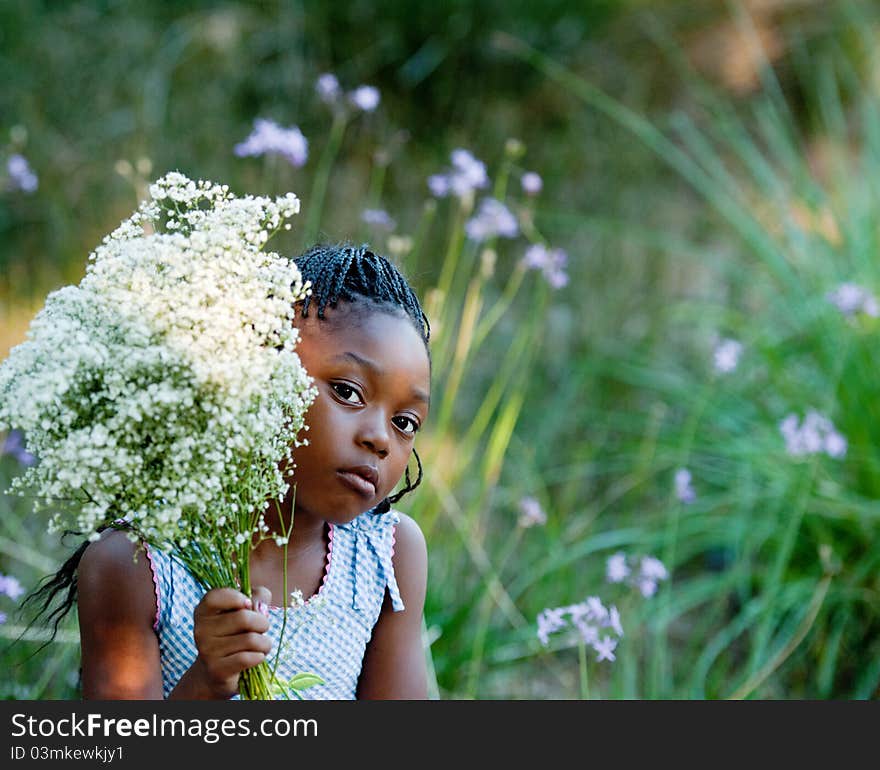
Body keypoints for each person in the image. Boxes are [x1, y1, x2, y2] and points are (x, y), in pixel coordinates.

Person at [28, 243, 432, 700]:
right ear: (258, 372)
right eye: (347, 391)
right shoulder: (140, 564)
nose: (380, 438)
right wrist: (207, 683)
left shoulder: (386, 559)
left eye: (405, 423)